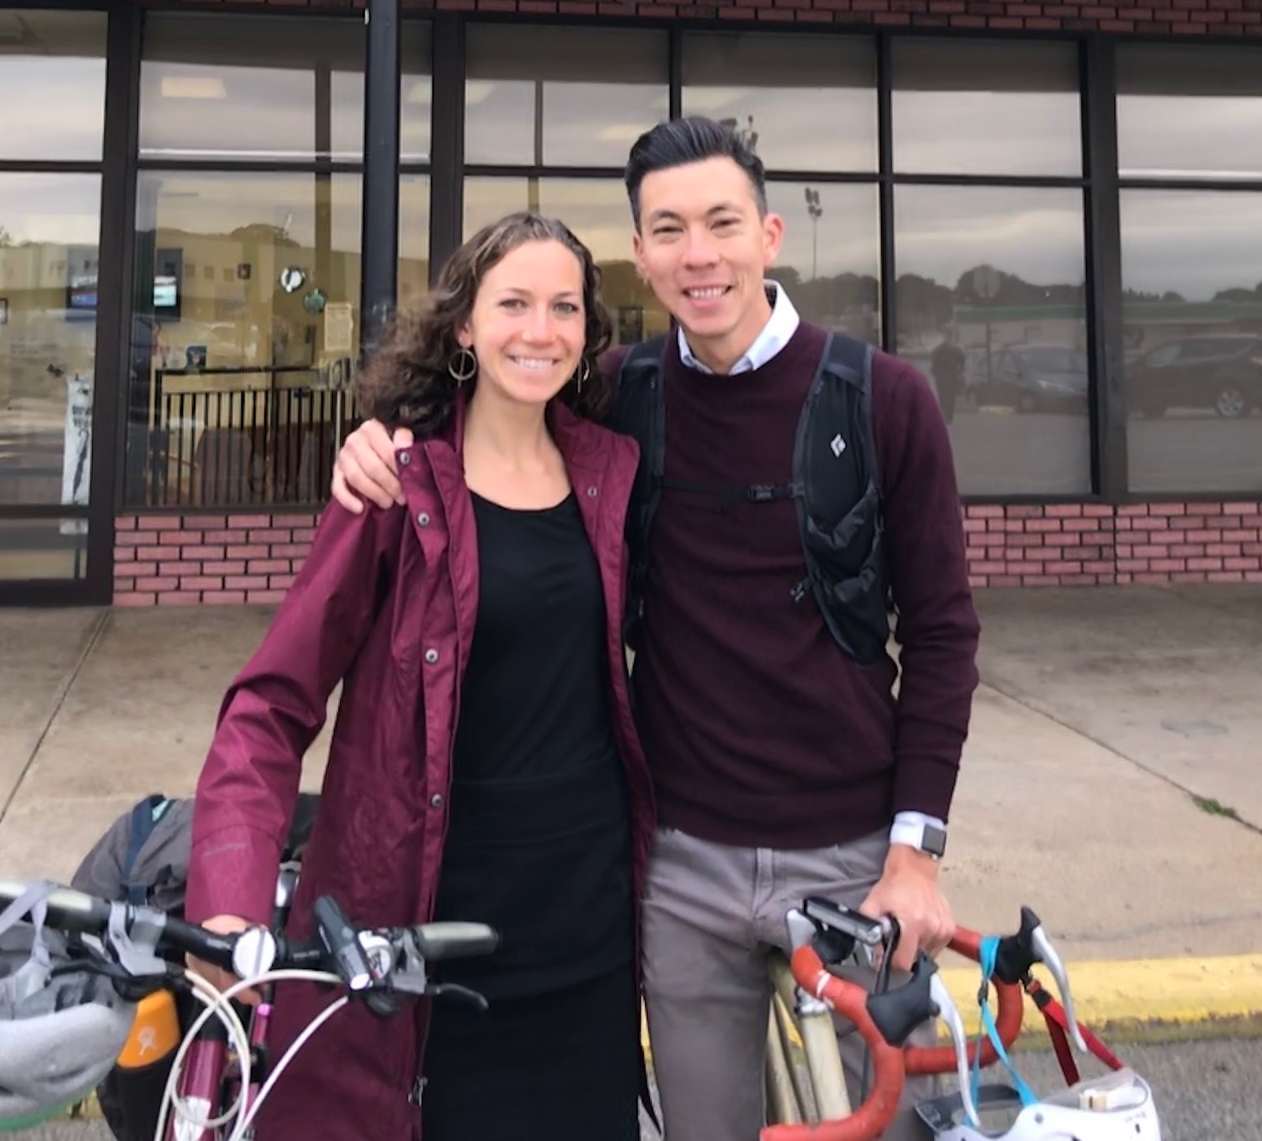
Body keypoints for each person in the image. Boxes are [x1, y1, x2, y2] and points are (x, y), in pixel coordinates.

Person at [334, 118, 980, 1141]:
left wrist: (916, 855)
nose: (699, 254)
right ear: (640, 255)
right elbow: (499, 400)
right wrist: (381, 440)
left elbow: (943, 634)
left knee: (891, 1128)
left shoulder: (885, 398)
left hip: (853, 859)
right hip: (682, 866)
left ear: (769, 234)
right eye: (668, 230)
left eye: (722, 223)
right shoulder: (623, 392)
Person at [187, 212, 654, 1141]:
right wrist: (229, 902)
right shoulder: (396, 489)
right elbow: (269, 708)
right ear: (465, 328)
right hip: (422, 947)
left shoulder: (613, 471)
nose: (540, 329)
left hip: (588, 940)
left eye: (564, 307)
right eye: (513, 303)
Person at [930, 333, 967, 424]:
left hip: (941, 378)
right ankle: (949, 417)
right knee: (950, 398)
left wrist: (934, 373)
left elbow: (933, 362)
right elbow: (963, 359)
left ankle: (944, 416)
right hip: (951, 377)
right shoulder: (955, 350)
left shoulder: (938, 350)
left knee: (942, 397)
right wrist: (960, 370)